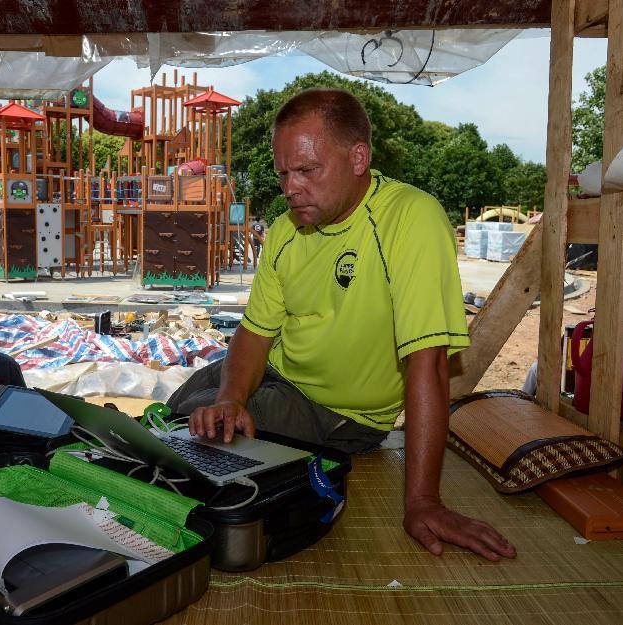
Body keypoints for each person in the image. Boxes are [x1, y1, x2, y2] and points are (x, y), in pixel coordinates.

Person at [167, 88, 516, 562]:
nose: (291, 188)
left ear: (358, 158)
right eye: (284, 173)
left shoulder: (410, 219)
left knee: (198, 436)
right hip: (279, 374)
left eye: (307, 170)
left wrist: (423, 503)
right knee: (181, 412)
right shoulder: (287, 229)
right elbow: (254, 332)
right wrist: (233, 397)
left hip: (338, 412)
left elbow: (429, 363)